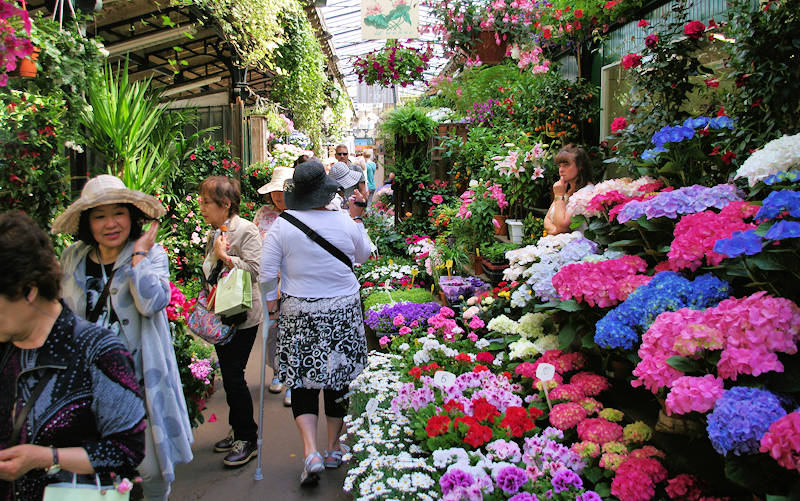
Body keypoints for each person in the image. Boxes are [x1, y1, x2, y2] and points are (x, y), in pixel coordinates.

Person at [54, 175, 193, 500]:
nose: (110, 223)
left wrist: (140, 256)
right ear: (87, 222)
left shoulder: (150, 254)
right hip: (88, 384)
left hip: (139, 380)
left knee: (150, 469)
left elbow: (151, 303)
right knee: (99, 466)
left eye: (118, 212)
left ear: (132, 215)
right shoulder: (73, 257)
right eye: (99, 216)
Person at [0, 211, 146, 501]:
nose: (110, 224)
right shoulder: (7, 348)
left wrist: (45, 457)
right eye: (99, 217)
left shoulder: (96, 351)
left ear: (28, 290)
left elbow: (127, 450)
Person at [259, 159, 370, 486]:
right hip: (342, 311)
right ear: (325, 191)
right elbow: (364, 255)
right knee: (338, 379)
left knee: (304, 381)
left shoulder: (283, 224)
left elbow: (267, 276)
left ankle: (310, 452)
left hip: (299, 312)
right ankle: (333, 448)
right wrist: (358, 221)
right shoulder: (345, 222)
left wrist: (272, 307)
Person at [198, 176, 263, 468]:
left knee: (234, 377)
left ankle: (248, 437)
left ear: (225, 204)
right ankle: (238, 429)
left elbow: (256, 269)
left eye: (206, 202)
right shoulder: (215, 231)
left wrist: (226, 257)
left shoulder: (246, 230)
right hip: (223, 313)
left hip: (244, 316)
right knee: (229, 374)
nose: (201, 206)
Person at [253, 167, 295, 407]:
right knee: (271, 329)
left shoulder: (300, 214)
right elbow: (255, 243)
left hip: (292, 283)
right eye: (275, 193)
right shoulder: (263, 214)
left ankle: (292, 379)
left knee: (292, 330)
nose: (278, 197)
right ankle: (277, 371)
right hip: (269, 281)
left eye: (283, 192)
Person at [544, 144, 593, 236]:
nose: (561, 170)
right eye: (560, 166)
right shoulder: (564, 191)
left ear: (580, 166)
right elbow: (547, 220)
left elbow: (563, 225)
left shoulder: (586, 193)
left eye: (566, 165)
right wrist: (556, 231)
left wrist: (558, 196)